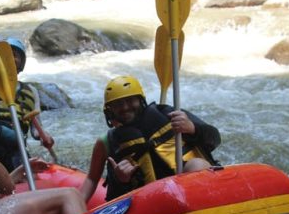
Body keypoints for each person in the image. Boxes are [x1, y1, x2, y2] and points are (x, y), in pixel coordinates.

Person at [80, 76, 221, 203]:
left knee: (197, 165)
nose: (125, 107)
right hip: (145, 203)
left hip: (186, 188)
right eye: (118, 105)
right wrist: (121, 180)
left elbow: (215, 139)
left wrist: (192, 129)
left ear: (140, 100)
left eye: (130, 100)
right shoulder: (106, 142)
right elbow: (92, 179)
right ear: (110, 111)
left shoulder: (170, 115)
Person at [0, 38, 54, 172]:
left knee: (24, 166)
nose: (10, 59)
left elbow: (36, 129)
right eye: (6, 55)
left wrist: (44, 137)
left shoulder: (31, 91)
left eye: (15, 55)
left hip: (15, 141)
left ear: (21, 63)